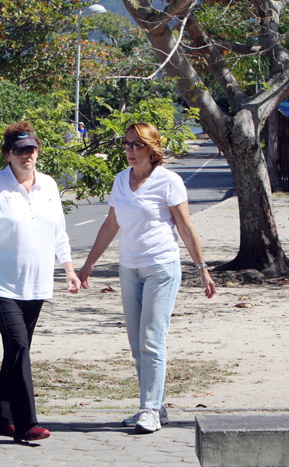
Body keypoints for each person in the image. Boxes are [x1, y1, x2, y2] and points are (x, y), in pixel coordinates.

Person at [77, 122, 216, 434]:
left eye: (136, 145)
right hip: (129, 269)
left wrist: (202, 268)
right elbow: (110, 225)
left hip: (161, 268)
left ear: (153, 150)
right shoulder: (120, 181)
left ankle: (149, 409)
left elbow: (185, 227)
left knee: (152, 340)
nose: (129, 150)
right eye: (126, 144)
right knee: (137, 343)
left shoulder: (169, 182)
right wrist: (88, 266)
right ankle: (157, 404)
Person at [0, 121, 81, 443]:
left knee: (17, 350)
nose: (27, 155)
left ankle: (0, 416)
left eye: (31, 149)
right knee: (19, 345)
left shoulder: (48, 185)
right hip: (1, 282)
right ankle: (26, 422)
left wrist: (69, 269)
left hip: (37, 282)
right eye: (20, 150)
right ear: (8, 154)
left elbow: (58, 232)